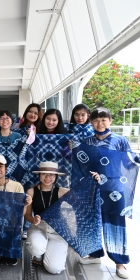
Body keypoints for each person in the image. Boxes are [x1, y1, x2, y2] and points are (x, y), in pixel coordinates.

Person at [77, 107, 130, 279]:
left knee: (115, 223)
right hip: (93, 187)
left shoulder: (120, 141)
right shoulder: (86, 142)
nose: (100, 123)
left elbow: (129, 163)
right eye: (96, 120)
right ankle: (94, 255)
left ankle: (119, 263)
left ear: (110, 121)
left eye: (104, 119)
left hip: (114, 188)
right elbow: (81, 165)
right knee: (91, 221)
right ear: (91, 122)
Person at [24, 161, 69, 274]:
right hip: (39, 228)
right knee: (36, 247)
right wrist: (33, 220)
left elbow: (82, 196)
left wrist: (94, 181)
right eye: (44, 174)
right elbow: (27, 214)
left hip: (57, 231)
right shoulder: (31, 192)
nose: (48, 177)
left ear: (56, 177)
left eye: (51, 175)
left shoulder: (62, 192)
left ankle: (54, 252)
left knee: (54, 269)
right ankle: (39, 254)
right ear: (39, 175)